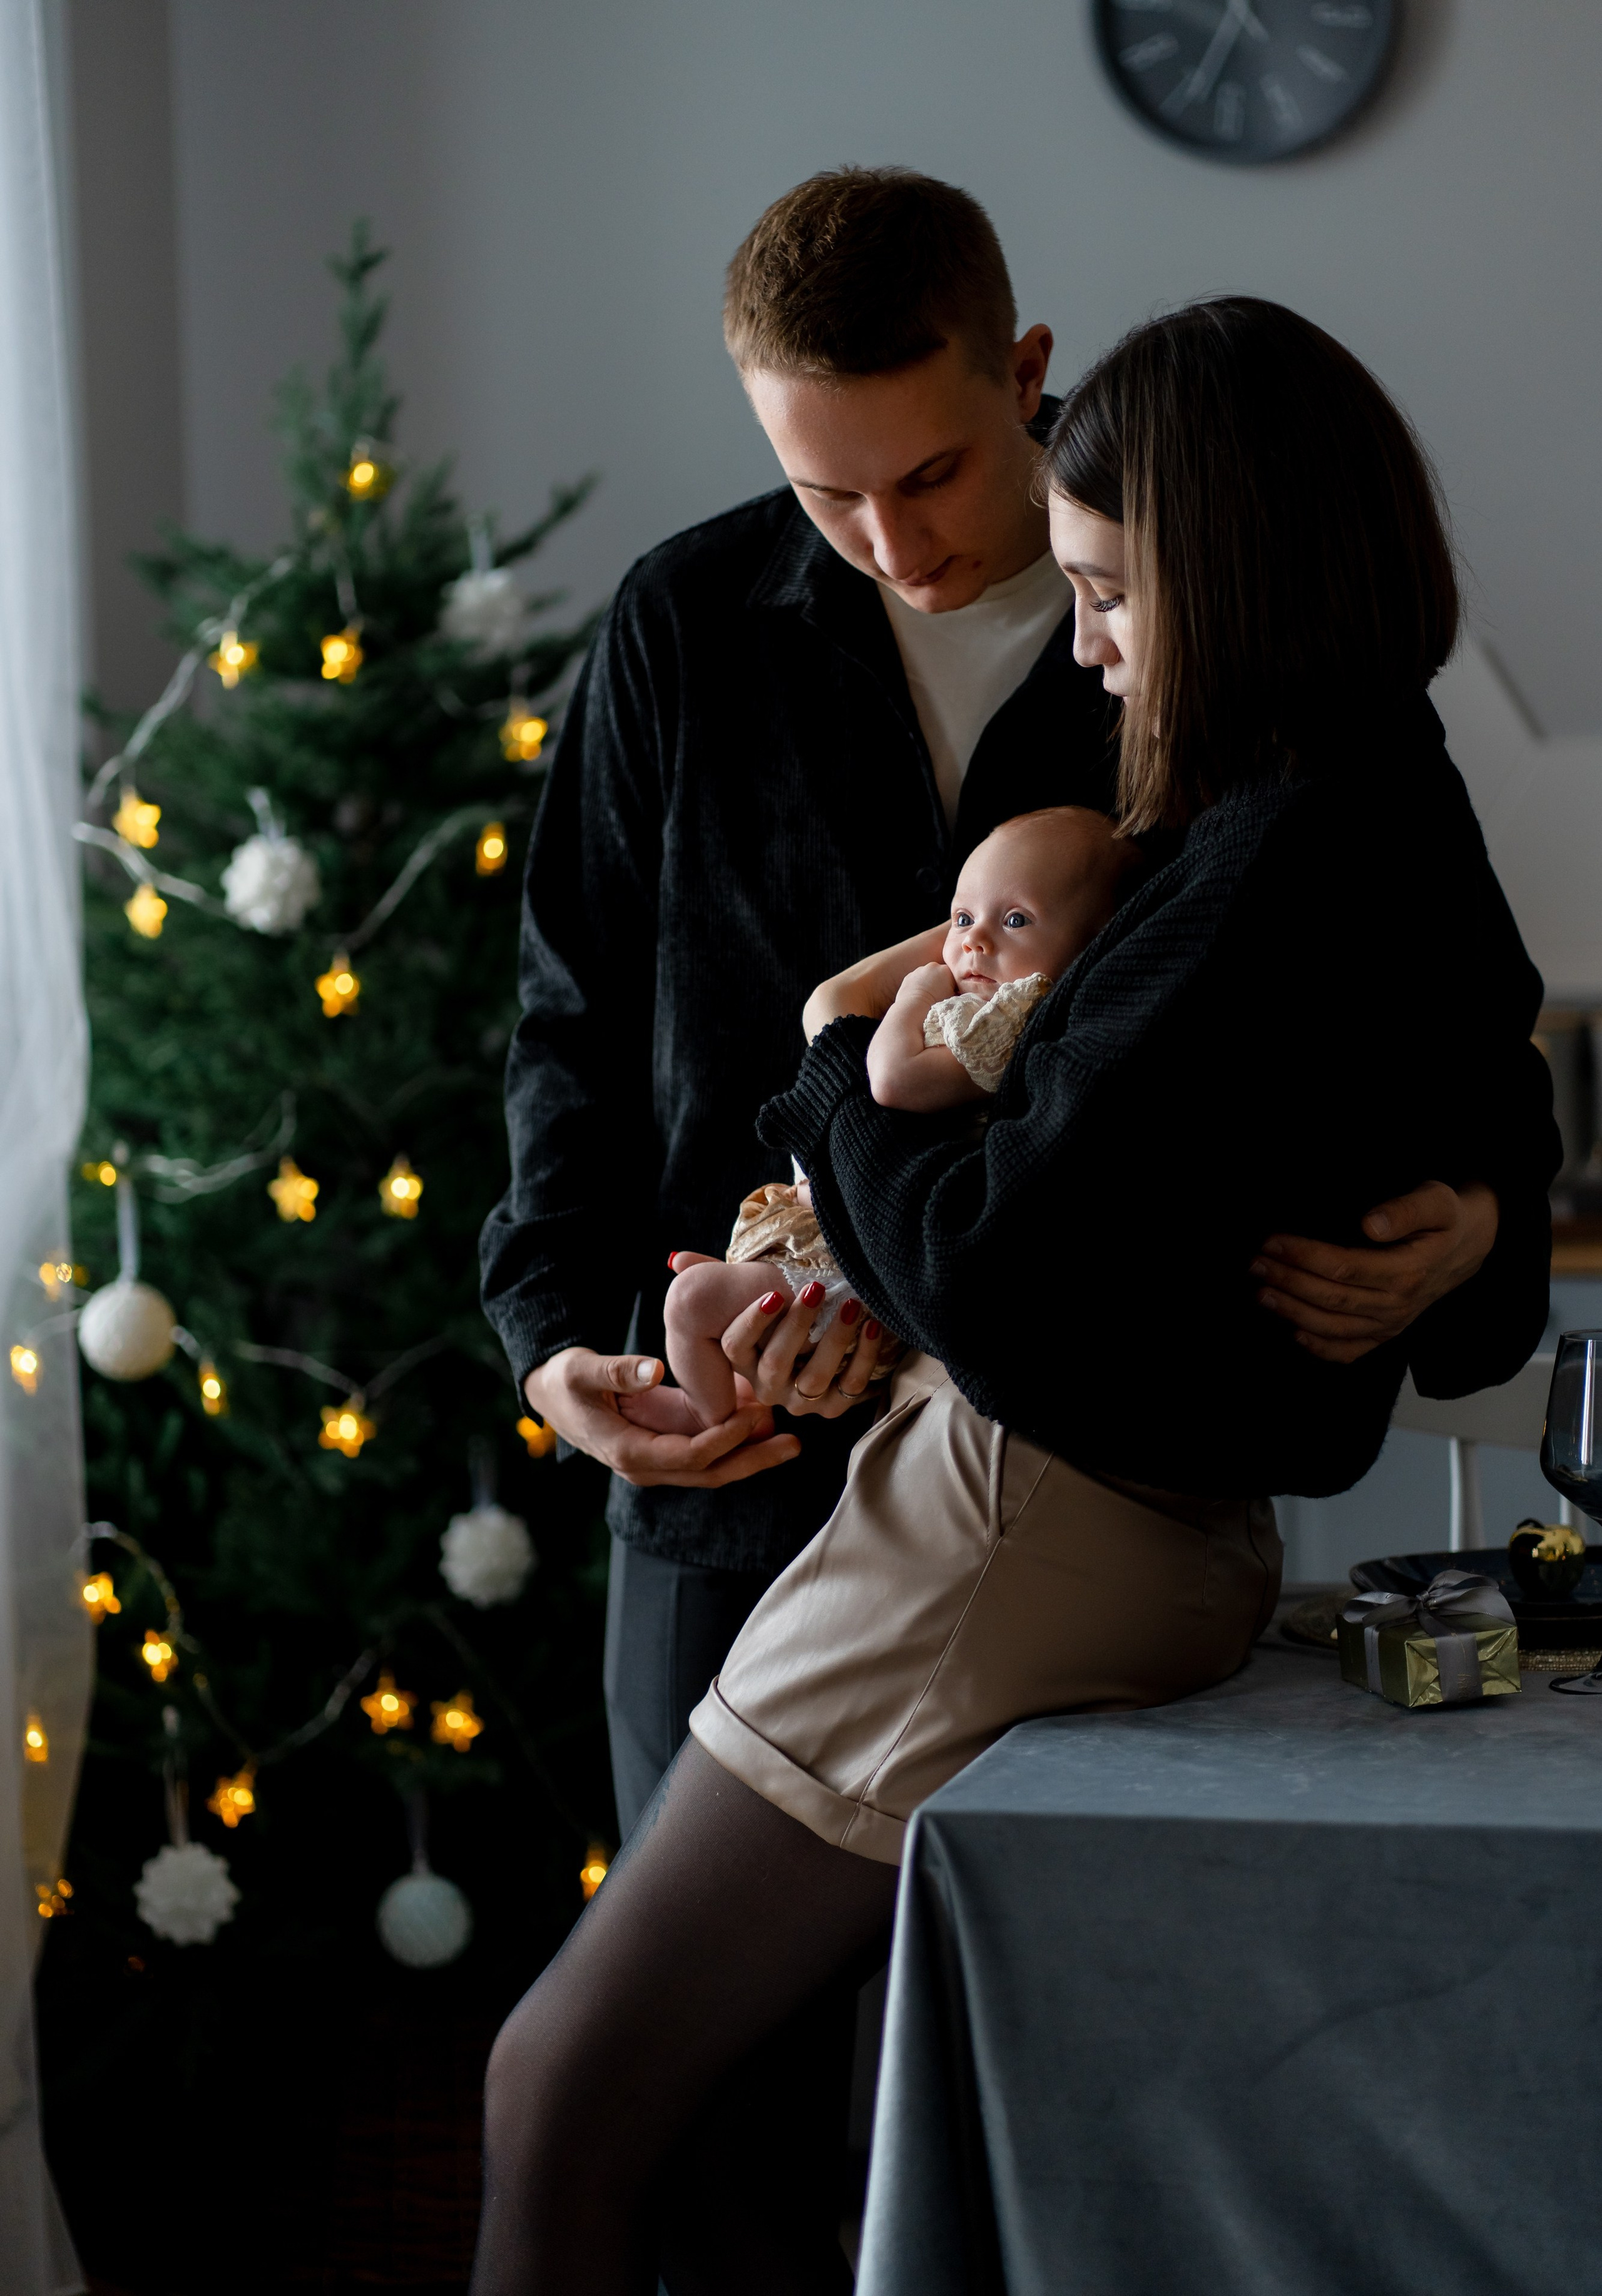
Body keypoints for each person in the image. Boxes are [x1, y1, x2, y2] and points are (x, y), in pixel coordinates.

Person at [470, 297, 1559, 2293]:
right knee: (847, 2141)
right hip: (991, 1498)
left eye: (1113, 595)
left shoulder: (1266, 847)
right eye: (824, 489)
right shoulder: (1332, 787)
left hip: (1007, 1524)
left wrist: (824, 1050)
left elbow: (1001, 1266)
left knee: (563, 2084)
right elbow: (580, 1031)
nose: (1083, 643)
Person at [479, 169, 1503, 1856]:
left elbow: (1444, 1039)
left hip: (1052, 1502)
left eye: (934, 473)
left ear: (1025, 369)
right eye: (824, 494)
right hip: (726, 1475)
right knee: (701, 2080)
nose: (895, 546)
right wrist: (551, 1353)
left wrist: (1470, 1225)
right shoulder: (684, 625)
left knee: (971, 2061)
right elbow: (571, 1026)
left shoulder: (1229, 652)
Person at [640, 807, 1145, 1434]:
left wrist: (909, 996)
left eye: (1015, 920)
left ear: (1090, 949)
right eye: (963, 918)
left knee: (691, 1302)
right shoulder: (986, 1001)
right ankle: (725, 1402)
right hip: (852, 1227)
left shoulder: (1011, 1021)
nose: (973, 942)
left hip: (858, 1254)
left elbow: (892, 1077)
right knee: (713, 1305)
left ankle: (712, 1419)